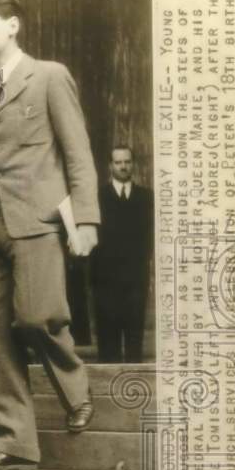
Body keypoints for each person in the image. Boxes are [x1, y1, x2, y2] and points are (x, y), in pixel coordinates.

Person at [0, 0, 100, 470]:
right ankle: (10, 441)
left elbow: (78, 154)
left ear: (12, 25)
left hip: (38, 219)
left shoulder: (49, 77)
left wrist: (85, 219)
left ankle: (76, 390)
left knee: (39, 317)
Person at [91, 145, 153, 362]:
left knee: (134, 333)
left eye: (127, 161)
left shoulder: (147, 198)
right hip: (105, 279)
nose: (123, 166)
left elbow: (150, 238)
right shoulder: (97, 198)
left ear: (133, 164)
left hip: (136, 278)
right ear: (110, 166)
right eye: (118, 162)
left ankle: (134, 384)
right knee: (108, 336)